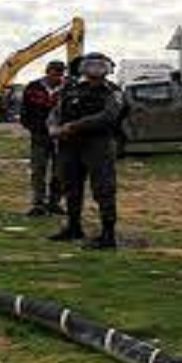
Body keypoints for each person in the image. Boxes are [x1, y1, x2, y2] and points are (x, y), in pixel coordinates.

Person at [47, 52, 125, 250]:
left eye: (100, 65)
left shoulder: (112, 91)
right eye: (91, 65)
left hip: (98, 145)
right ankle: (73, 227)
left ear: (108, 68)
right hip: (69, 145)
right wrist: (53, 128)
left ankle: (108, 235)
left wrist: (73, 126)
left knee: (104, 189)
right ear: (82, 67)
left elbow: (109, 116)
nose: (95, 69)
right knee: (71, 186)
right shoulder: (71, 89)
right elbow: (55, 111)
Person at [20, 60, 66, 217]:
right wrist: (32, 127)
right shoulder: (33, 87)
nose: (57, 75)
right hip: (40, 135)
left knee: (59, 171)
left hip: (61, 136)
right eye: (55, 71)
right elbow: (25, 110)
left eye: (60, 72)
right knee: (38, 169)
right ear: (48, 71)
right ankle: (38, 203)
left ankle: (54, 202)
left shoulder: (67, 88)